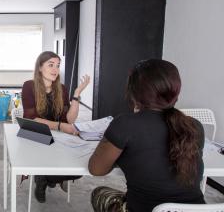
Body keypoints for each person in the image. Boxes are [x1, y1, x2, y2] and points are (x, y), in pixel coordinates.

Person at [88, 59, 205, 212]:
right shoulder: (194, 126)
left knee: (100, 194)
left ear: (134, 93)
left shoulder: (125, 124)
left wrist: (119, 158)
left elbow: (96, 169)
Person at [22, 51, 90, 203]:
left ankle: (45, 178)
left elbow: (69, 119)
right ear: (40, 67)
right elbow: (32, 119)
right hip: (35, 134)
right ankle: (45, 178)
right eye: (50, 65)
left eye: (58, 66)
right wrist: (60, 126)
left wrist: (77, 94)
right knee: (51, 156)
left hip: (57, 135)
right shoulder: (29, 86)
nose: (55, 69)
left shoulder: (62, 88)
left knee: (79, 169)